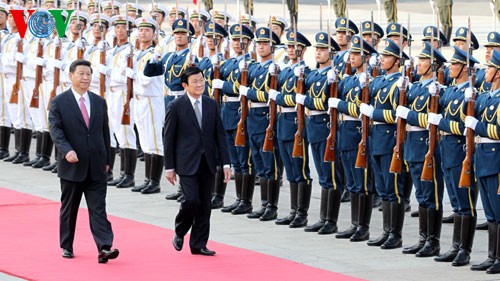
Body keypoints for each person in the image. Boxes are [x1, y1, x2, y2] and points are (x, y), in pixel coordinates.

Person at [48, 59, 119, 263]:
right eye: (81, 74)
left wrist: (107, 159)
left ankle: (105, 246)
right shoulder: (59, 102)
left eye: (88, 74)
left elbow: (104, 132)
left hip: (96, 164)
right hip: (72, 164)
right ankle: (67, 245)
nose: (85, 78)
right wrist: (66, 150)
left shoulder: (98, 101)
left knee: (98, 208)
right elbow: (56, 130)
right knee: (69, 208)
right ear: (71, 76)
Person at [165, 66, 231, 256]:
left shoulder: (211, 104)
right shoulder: (176, 106)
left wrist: (226, 163)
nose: (200, 84)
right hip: (186, 162)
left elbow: (220, 135)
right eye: (195, 81)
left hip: (208, 161)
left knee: (205, 204)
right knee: (191, 200)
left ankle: (198, 243)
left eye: (201, 80)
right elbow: (168, 139)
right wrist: (169, 167)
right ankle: (180, 230)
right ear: (185, 85)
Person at [468, 49, 500, 274]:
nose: (485, 71)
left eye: (489, 67)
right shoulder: (487, 95)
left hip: (495, 158)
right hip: (482, 156)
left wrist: (476, 125)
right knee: (489, 212)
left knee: (499, 212)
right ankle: (492, 256)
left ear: (498, 73)